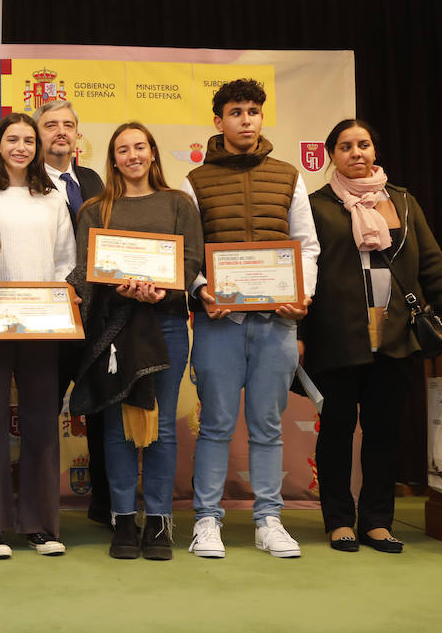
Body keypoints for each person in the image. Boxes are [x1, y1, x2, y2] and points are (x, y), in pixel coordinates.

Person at [301, 119, 442, 554]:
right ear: (331, 156)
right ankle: (339, 520)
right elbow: (301, 272)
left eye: (364, 144)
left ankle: (376, 521)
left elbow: (431, 265)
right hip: (336, 337)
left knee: (383, 432)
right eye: (345, 147)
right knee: (336, 431)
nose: (357, 153)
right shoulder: (316, 205)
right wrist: (299, 332)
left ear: (374, 150)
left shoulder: (403, 202)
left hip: (395, 334)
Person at [180, 78, 319, 559]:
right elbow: (189, 252)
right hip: (221, 323)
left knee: (266, 426)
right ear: (218, 121)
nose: (245, 120)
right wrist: (201, 292)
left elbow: (307, 245)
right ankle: (206, 520)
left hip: (278, 322)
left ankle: (269, 520)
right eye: (235, 112)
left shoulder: (289, 175)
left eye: (253, 112)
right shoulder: (194, 181)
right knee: (216, 425)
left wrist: (304, 295)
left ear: (262, 118)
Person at [68, 123, 203, 561]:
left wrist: (164, 289)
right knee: (117, 430)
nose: (132, 156)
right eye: (123, 149)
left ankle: (160, 522)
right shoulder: (96, 209)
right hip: (114, 330)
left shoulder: (178, 203)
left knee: (161, 427)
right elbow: (89, 271)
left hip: (164, 324)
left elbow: (192, 260)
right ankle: (123, 519)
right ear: (113, 158)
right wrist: (116, 290)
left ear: (152, 153)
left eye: (139, 147)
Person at [0, 112, 75, 559]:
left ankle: (41, 525)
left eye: (29, 139)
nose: (21, 146)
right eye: (12, 139)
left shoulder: (52, 199)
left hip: (43, 325)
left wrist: (63, 298)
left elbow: (66, 262)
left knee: (41, 423)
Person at [36, 99, 110, 524]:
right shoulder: (26, 183)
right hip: (49, 315)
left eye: (68, 125)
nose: (61, 132)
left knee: (101, 409)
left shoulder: (92, 179)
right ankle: (42, 511)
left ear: (78, 134)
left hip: (96, 317)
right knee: (43, 410)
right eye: (50, 125)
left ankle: (104, 505)